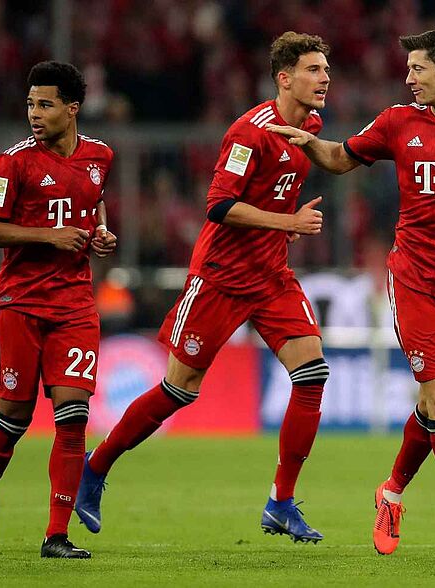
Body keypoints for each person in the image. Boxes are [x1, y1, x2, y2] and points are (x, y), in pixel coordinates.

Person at [268, 29, 435, 556]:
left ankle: (390, 493)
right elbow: (342, 158)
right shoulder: (396, 122)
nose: (408, 78)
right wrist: (309, 142)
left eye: (418, 68)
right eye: (408, 68)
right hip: (414, 277)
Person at [74, 31, 332, 544]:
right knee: (178, 390)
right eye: (314, 70)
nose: (325, 78)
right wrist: (287, 223)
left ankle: (281, 502)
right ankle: (95, 466)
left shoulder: (311, 127)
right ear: (284, 79)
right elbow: (218, 205)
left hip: (271, 276)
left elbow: (287, 182)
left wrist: (286, 220)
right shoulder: (248, 133)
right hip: (220, 278)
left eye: (326, 69)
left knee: (312, 374)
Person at [0, 61, 118, 559]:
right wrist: (48, 237)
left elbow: (93, 201)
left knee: (73, 419)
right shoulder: (12, 163)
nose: (34, 113)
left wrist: (100, 231)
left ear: (72, 109)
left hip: (75, 306)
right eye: (30, 104)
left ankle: (56, 535)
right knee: (13, 418)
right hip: (19, 305)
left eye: (45, 104)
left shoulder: (100, 156)